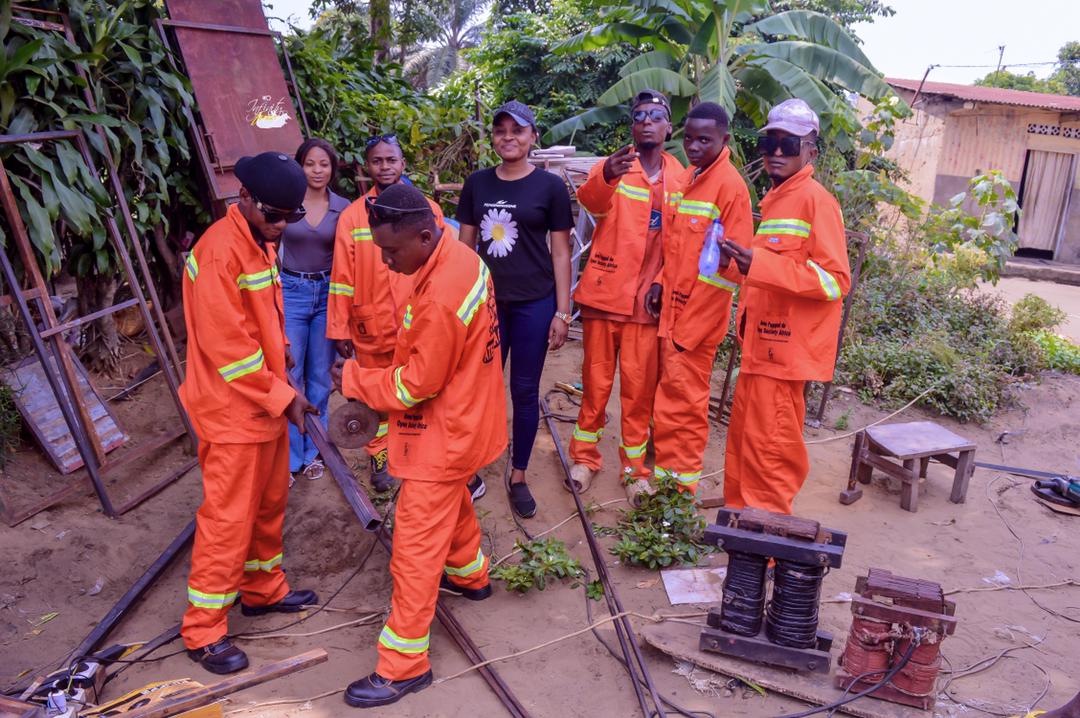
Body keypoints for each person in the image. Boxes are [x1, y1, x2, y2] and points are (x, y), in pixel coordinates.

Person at [331, 184, 506, 708]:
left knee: (412, 550)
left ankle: (404, 665)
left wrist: (357, 381)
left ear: (425, 235)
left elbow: (413, 387)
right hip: (470, 418)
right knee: (452, 506)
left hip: (444, 433)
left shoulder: (441, 297)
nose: (385, 261)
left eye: (391, 252)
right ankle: (472, 576)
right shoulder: (456, 258)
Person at [179, 152, 319, 674]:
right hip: (233, 411)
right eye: (275, 217)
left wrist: (284, 392)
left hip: (265, 405)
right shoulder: (220, 254)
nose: (283, 226)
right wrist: (285, 397)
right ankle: (203, 630)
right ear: (244, 201)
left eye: (292, 216)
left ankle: (262, 589)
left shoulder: (259, 242)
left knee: (268, 504)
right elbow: (232, 352)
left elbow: (265, 330)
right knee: (228, 519)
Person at [327, 135, 482, 498]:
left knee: (416, 389)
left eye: (391, 160)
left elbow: (443, 265)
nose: (384, 166)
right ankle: (380, 456)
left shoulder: (428, 209)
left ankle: (415, 451)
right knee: (370, 395)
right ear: (367, 167)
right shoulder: (352, 217)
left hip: (416, 324)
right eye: (377, 160)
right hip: (370, 325)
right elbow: (341, 277)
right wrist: (339, 326)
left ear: (402, 164)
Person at [721, 98, 851, 515]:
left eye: (789, 145)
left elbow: (835, 281)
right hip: (760, 351)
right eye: (769, 142)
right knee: (744, 452)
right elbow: (774, 273)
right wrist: (739, 266)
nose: (776, 152)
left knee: (770, 458)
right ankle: (741, 536)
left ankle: (766, 554)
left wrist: (758, 263)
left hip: (784, 358)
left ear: (810, 150)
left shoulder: (815, 201)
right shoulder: (777, 199)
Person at [456, 100, 573, 518]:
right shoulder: (477, 184)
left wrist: (562, 311)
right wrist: (459, 304)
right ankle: (469, 469)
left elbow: (561, 253)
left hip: (534, 304)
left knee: (523, 390)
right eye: (501, 130)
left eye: (517, 130)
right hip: (486, 305)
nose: (508, 137)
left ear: (532, 137)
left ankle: (518, 473)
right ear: (493, 137)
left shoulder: (550, 188)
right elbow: (463, 248)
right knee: (475, 388)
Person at [568, 89, 683, 504]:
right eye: (639, 116)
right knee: (595, 386)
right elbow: (590, 202)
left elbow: (686, 244)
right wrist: (608, 176)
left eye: (655, 115)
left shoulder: (682, 179)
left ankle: (635, 471)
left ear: (668, 126)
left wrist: (665, 280)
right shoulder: (612, 166)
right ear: (632, 126)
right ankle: (584, 458)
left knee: (638, 395)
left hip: (645, 309)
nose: (647, 121)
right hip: (604, 298)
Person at [647, 102, 754, 496]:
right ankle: (665, 484)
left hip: (694, 323)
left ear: (724, 140)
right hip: (672, 314)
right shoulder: (691, 178)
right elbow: (678, 248)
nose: (693, 146)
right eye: (688, 138)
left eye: (704, 140)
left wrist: (689, 328)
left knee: (686, 406)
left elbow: (728, 272)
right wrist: (659, 280)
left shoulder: (730, 188)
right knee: (668, 399)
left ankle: (678, 496)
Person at [280, 138, 348, 482]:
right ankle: (290, 457)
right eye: (310, 164)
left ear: (333, 168)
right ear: (299, 166)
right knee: (291, 376)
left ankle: (315, 452)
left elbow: (352, 260)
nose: (317, 170)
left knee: (320, 377)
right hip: (290, 291)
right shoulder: (286, 202)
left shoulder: (344, 208)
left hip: (328, 293)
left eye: (324, 164)